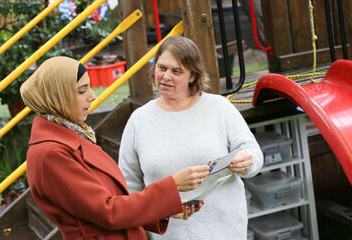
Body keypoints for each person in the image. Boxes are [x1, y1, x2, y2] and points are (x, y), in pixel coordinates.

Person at [20, 56, 210, 240]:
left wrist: (163, 208)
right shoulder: (52, 153)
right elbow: (108, 212)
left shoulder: (72, 136)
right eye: (82, 90)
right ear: (57, 96)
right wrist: (172, 186)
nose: (92, 96)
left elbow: (108, 206)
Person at [118, 36, 264, 240]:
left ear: (193, 76)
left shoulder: (219, 108)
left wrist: (247, 162)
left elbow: (253, 153)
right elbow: (128, 184)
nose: (166, 76)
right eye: (162, 68)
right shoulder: (139, 120)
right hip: (168, 235)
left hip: (225, 231)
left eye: (176, 71)